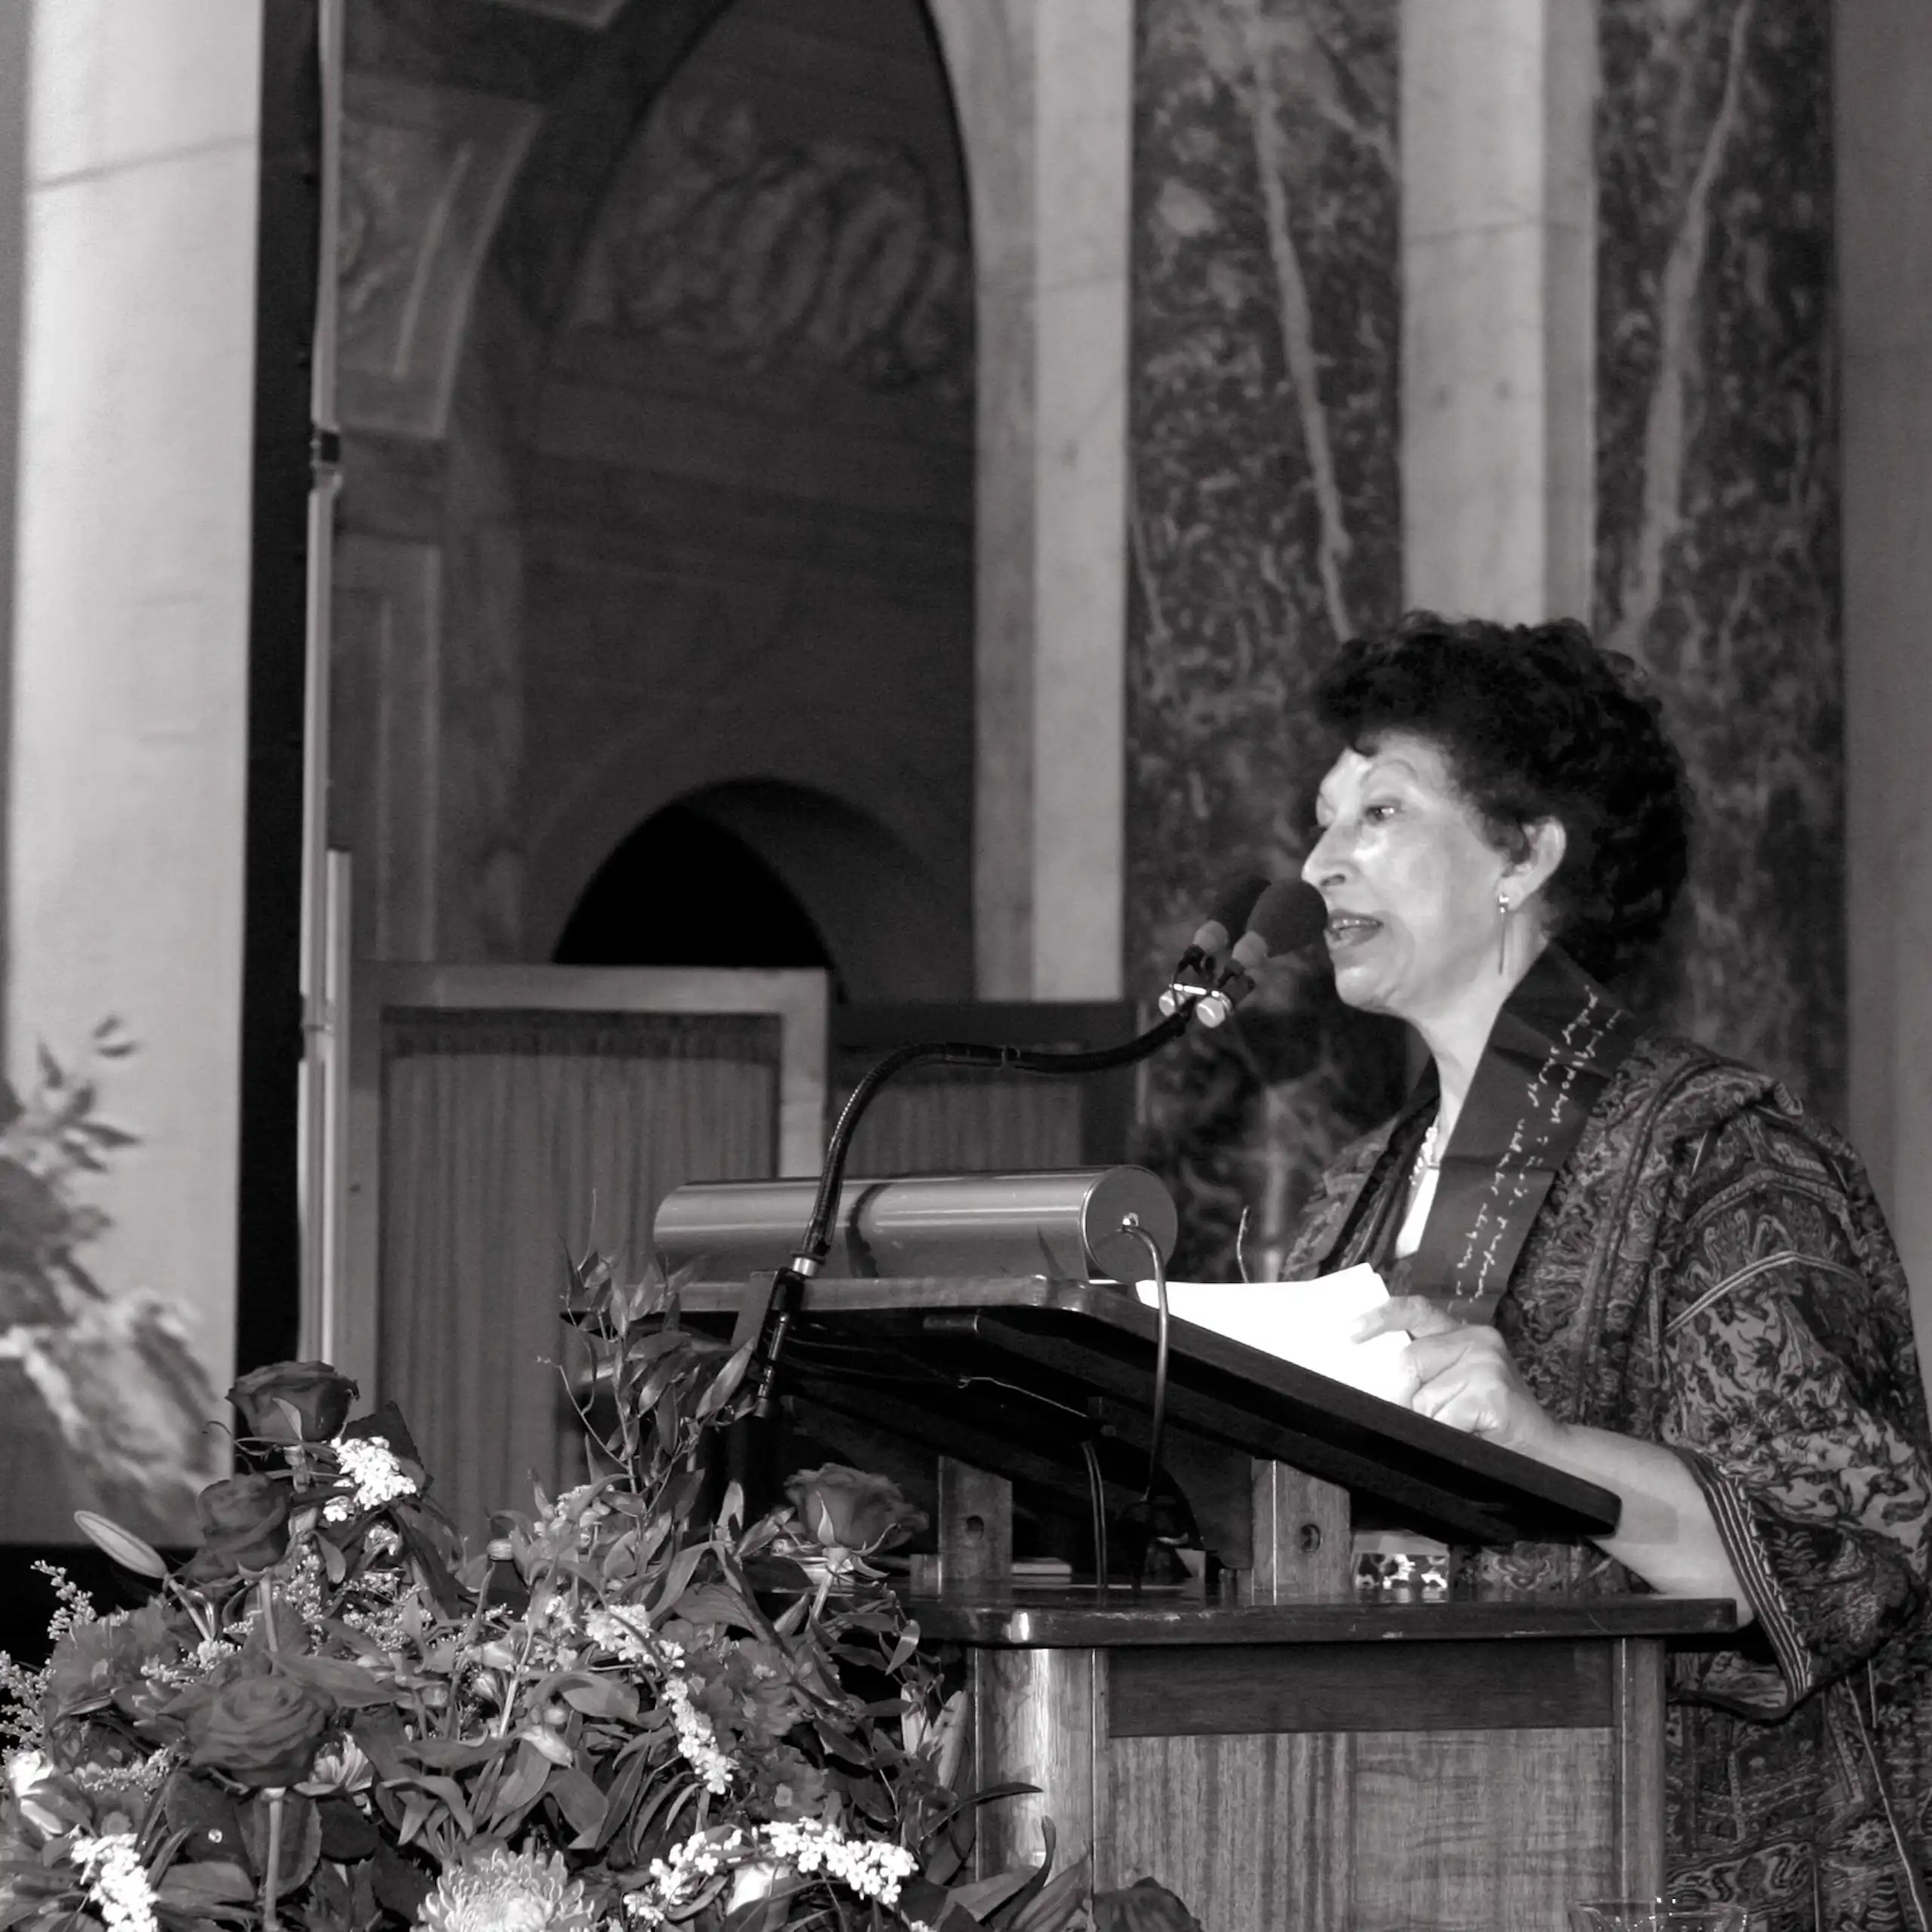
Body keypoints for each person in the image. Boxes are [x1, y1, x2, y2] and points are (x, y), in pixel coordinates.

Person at [1284, 611, 1932, 1932]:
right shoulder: (1349, 1197)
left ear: (1524, 855)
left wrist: (1544, 1444)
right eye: (1324, 819)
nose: (1317, 864)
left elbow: (1848, 1559)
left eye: (1380, 816)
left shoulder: (1731, 1161)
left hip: (1697, 1881)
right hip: (1393, 1855)